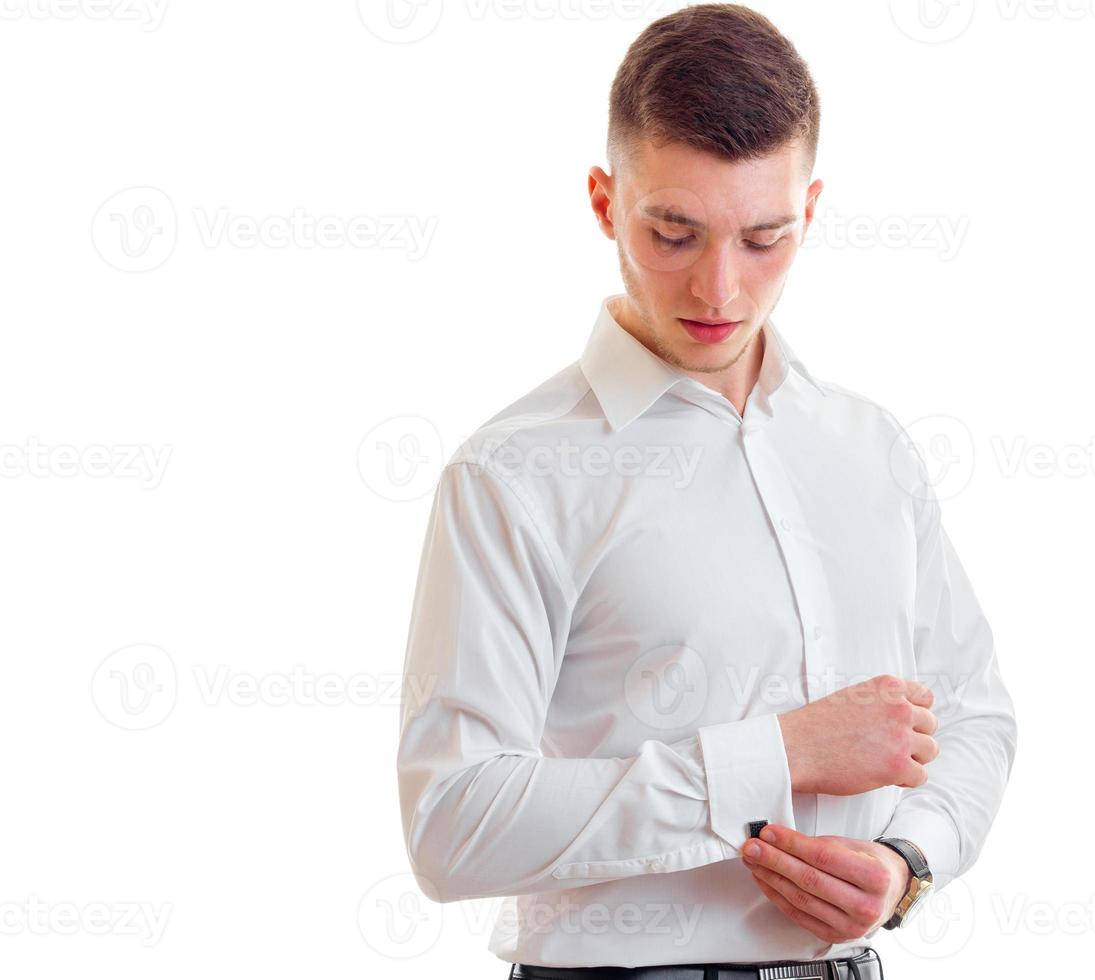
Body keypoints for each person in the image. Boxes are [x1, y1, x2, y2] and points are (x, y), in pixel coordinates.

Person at [395, 5, 1016, 977]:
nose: (720, 289)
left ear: (810, 211)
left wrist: (907, 861)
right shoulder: (512, 474)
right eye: (674, 233)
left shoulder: (870, 446)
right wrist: (778, 753)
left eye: (764, 237)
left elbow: (974, 714)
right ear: (605, 202)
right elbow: (451, 821)